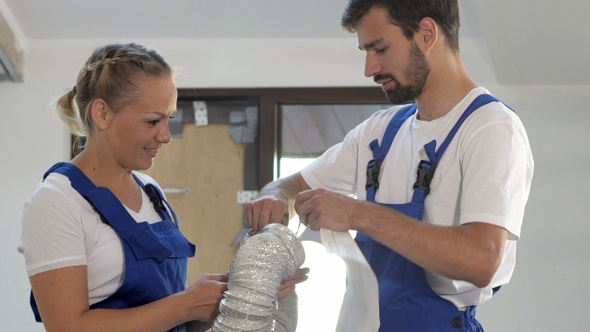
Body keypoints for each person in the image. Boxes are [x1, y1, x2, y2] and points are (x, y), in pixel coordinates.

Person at [246, 1, 534, 331]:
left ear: (427, 34)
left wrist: (356, 214)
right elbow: (289, 187)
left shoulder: (490, 128)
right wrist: (274, 198)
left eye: (380, 49)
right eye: (365, 52)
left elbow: (481, 260)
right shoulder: (379, 132)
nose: (369, 68)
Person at [18, 43, 305, 332]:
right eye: (153, 121)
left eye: (169, 118)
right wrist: (186, 304)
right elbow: (68, 327)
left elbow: (171, 320)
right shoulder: (56, 203)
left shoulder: (151, 191)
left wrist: (235, 295)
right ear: (102, 113)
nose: (166, 135)